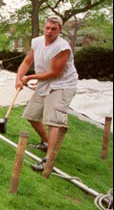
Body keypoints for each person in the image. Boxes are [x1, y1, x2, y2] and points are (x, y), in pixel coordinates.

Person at [16, 16, 78, 171]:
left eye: (54, 29)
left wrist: (29, 77)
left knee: (53, 121)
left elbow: (55, 73)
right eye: (47, 28)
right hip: (45, 82)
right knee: (31, 115)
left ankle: (48, 160)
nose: (49, 31)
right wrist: (18, 78)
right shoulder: (37, 42)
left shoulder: (62, 48)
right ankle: (46, 143)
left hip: (62, 85)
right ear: (44, 27)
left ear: (60, 30)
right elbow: (27, 61)